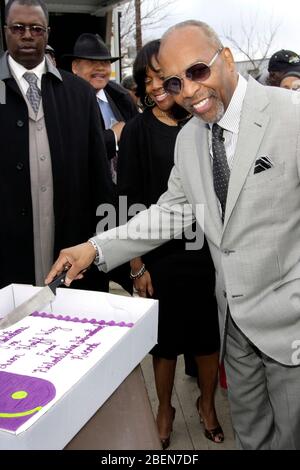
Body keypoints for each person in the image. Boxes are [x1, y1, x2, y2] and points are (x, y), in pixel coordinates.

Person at [46, 20, 300, 450]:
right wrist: (94, 248)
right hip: (232, 326)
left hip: (290, 328)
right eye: (175, 81)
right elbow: (169, 214)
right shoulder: (190, 140)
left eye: (198, 71)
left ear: (227, 59)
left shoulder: (290, 116)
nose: (188, 90)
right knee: (251, 436)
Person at [117, 39, 222, 448]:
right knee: (166, 343)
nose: (155, 86)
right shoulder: (138, 131)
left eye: (162, 77)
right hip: (160, 256)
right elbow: (126, 201)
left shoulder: (203, 124)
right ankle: (165, 409)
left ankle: (208, 405)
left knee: (208, 339)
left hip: (207, 252)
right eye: (147, 80)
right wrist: (137, 264)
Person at [0, 0, 114, 291]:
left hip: (71, 261)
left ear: (47, 33)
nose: (27, 35)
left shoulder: (80, 95)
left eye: (36, 28)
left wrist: (108, 250)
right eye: (18, 28)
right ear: (5, 31)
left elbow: (100, 180)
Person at [64, 33, 138, 183]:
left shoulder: (122, 97)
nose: (100, 68)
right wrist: (112, 135)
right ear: (75, 67)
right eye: (92, 62)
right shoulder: (64, 101)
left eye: (105, 62)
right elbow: (73, 152)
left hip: (125, 191)